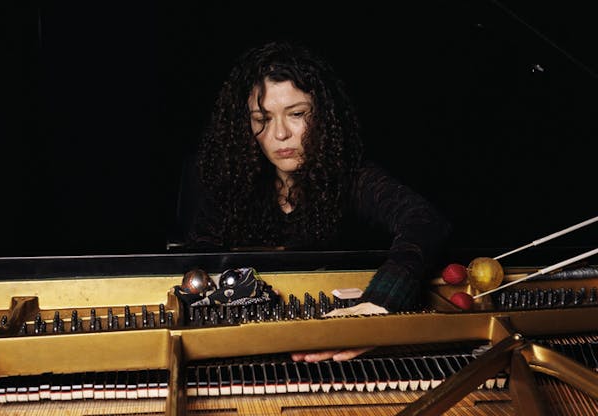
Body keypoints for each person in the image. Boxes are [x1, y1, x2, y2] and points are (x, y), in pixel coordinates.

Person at [173, 40, 451, 361]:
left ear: (324, 116)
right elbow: (199, 265)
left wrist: (380, 304)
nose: (279, 134)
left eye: (297, 114)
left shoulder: (352, 177)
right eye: (262, 119)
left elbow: (425, 222)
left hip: (345, 353)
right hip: (251, 348)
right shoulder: (233, 185)